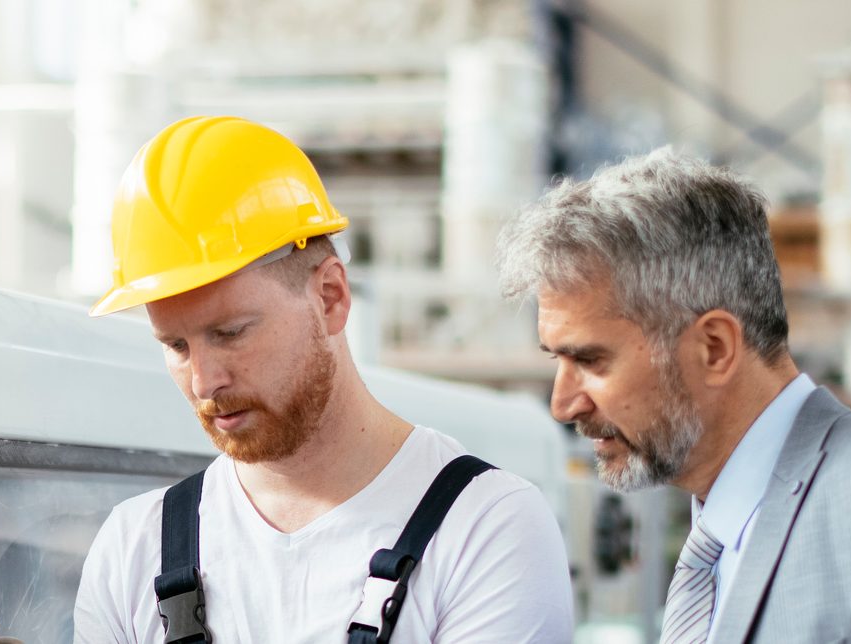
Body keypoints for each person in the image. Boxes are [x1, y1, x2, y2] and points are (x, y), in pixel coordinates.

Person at [73, 116, 572, 643]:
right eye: (176, 346)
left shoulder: (484, 528)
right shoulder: (133, 548)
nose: (203, 382)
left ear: (329, 297)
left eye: (230, 332)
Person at [496, 148, 851, 643]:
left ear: (714, 348)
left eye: (590, 361)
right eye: (556, 361)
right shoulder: (713, 540)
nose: (563, 405)